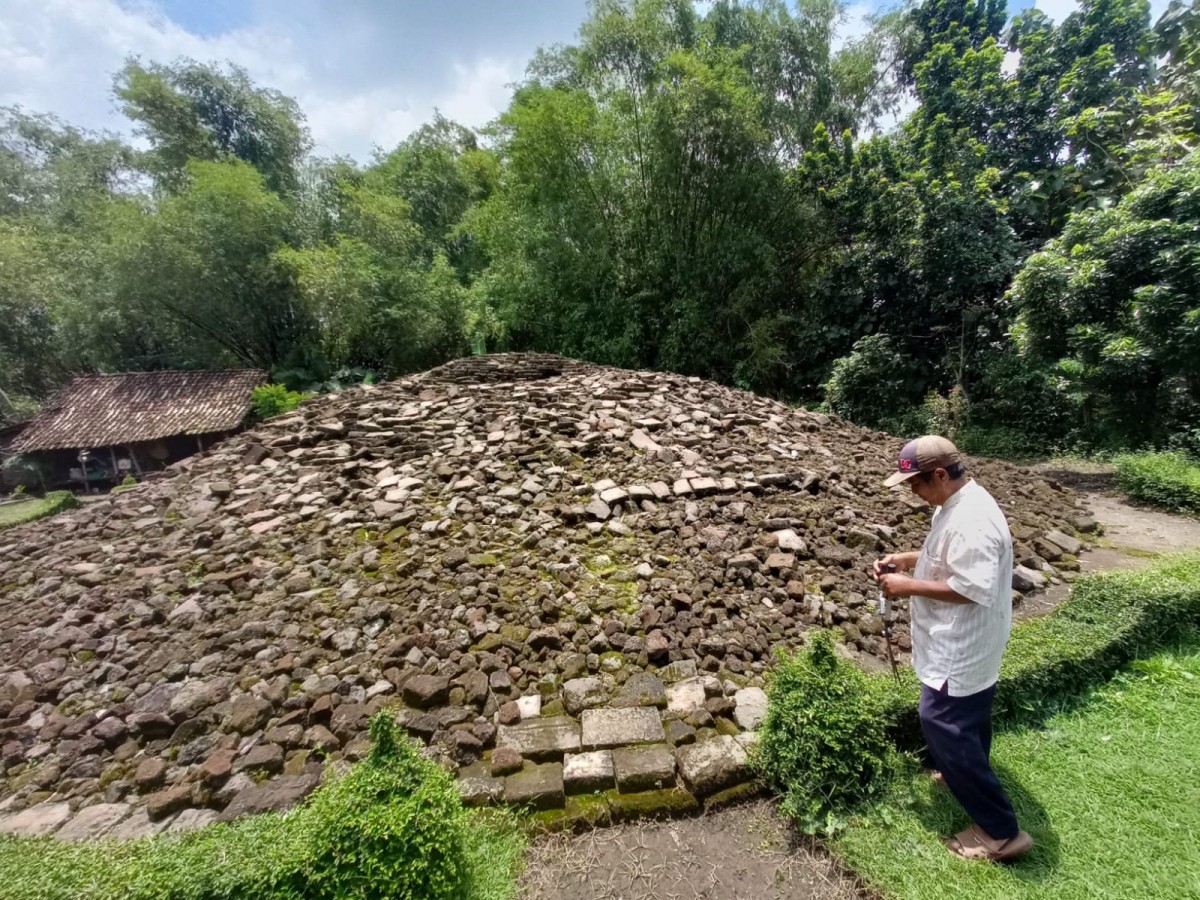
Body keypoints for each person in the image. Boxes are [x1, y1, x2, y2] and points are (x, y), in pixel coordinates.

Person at [874, 435, 1034, 863]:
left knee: (941, 719)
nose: (912, 492)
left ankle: (999, 831)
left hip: (962, 642)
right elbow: (951, 558)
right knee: (969, 715)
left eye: (915, 484)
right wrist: (910, 560)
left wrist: (907, 587)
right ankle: (959, 768)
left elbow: (972, 587)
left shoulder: (973, 521)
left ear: (940, 475)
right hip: (969, 639)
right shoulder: (958, 505)